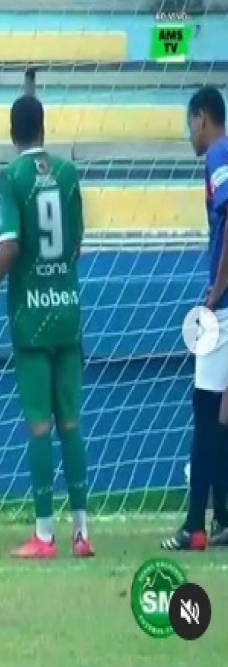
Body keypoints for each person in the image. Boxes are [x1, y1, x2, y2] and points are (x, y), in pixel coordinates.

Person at [0, 95, 93, 558]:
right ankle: (82, 533)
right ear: (44, 129)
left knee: (39, 426)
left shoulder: (9, 178)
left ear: (13, 134)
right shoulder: (68, 173)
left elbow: (10, 246)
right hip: (68, 310)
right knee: (71, 422)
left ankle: (45, 535)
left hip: (31, 315)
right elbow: (75, 245)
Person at [162, 86, 228, 550]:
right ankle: (221, 518)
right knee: (219, 417)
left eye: (190, 123)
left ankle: (194, 525)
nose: (190, 133)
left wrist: (218, 290)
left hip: (224, 311)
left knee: (204, 412)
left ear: (203, 118)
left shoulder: (218, 156)